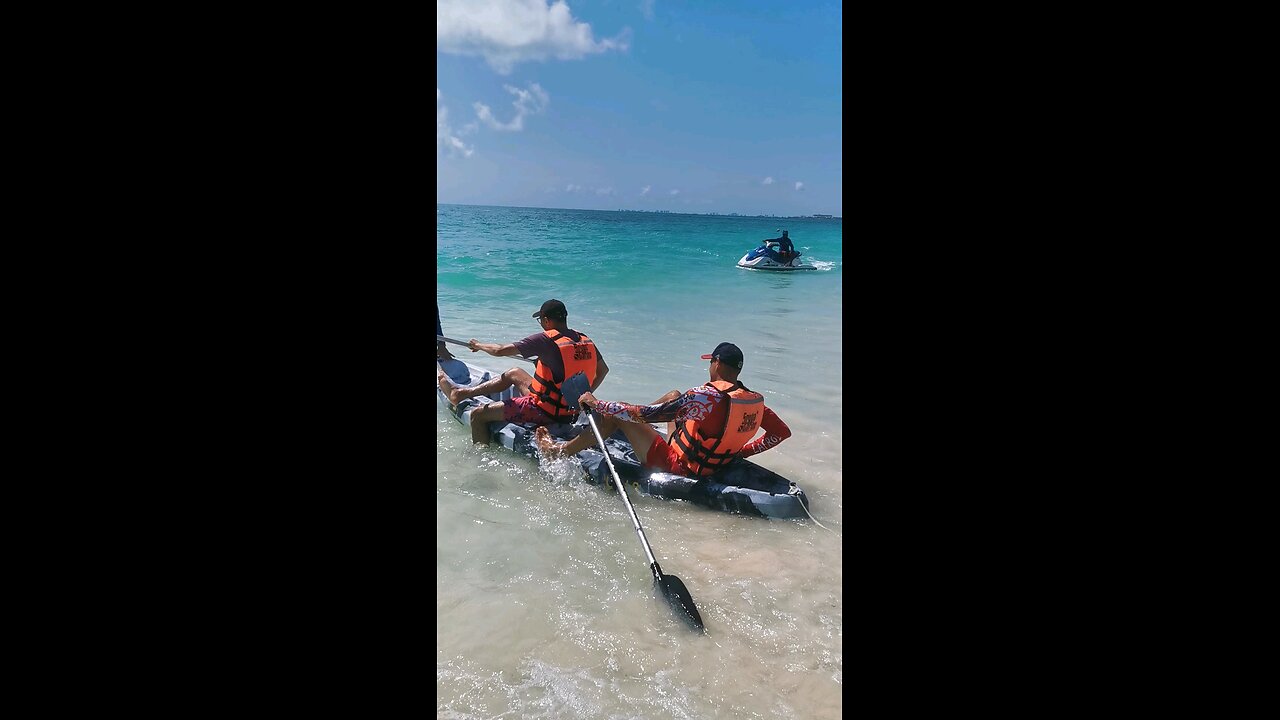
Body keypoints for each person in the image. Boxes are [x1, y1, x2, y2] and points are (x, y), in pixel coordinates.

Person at [535, 342, 791, 478]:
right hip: (708, 461)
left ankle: (559, 452)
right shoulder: (751, 401)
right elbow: (781, 433)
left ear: (716, 363)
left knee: (619, 414)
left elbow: (643, 415)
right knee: (673, 396)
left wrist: (596, 403)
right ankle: (622, 431)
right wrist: (740, 452)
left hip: (678, 466)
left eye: (710, 363)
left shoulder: (705, 397)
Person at [437, 299, 609, 445]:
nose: (541, 324)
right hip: (570, 410)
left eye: (541, 320)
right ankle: (462, 393)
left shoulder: (545, 340)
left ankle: (480, 458)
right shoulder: (585, 340)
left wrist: (478, 345)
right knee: (515, 372)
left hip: (544, 410)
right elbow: (603, 370)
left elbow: (500, 350)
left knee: (478, 415)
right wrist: (584, 395)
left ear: (547, 320)